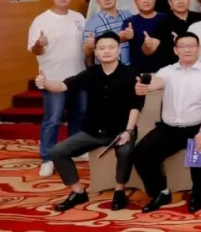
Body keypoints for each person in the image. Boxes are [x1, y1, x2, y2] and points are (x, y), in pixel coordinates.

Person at [36, 32, 141, 211]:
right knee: (58, 151)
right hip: (93, 130)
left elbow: (136, 105)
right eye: (102, 48)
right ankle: (78, 191)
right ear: (96, 52)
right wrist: (45, 83)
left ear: (119, 50)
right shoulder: (90, 74)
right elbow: (62, 86)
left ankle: (119, 191)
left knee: (125, 152)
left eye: (111, 47)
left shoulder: (130, 74)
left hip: (121, 131)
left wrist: (128, 131)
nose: (106, 51)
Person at [132, 32, 201, 213]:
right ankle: (161, 192)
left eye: (192, 46)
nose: (187, 50)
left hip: (199, 126)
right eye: (183, 46)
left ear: (198, 49)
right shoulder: (167, 71)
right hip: (170, 128)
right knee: (141, 153)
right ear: (175, 50)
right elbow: (157, 82)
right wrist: (145, 86)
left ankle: (197, 193)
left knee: (198, 159)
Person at [29, 0, 88, 178]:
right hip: (53, 78)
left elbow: (85, 46)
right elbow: (35, 50)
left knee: (79, 115)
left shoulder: (78, 17)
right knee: (52, 119)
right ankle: (47, 158)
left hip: (78, 76)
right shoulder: (41, 20)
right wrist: (39, 44)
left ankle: (75, 151)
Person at [149, 0, 201, 69]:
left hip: (199, 67)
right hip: (172, 68)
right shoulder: (162, 22)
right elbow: (151, 48)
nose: (180, 2)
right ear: (169, 2)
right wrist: (148, 46)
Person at [83, 0, 134, 66]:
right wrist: (90, 47)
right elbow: (89, 54)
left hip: (132, 68)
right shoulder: (91, 23)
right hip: (105, 70)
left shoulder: (128, 15)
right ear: (97, 0)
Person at [125, 0, 166, 74]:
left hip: (166, 70)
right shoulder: (129, 22)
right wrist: (125, 35)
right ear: (135, 2)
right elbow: (121, 37)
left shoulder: (166, 18)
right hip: (139, 71)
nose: (146, 1)